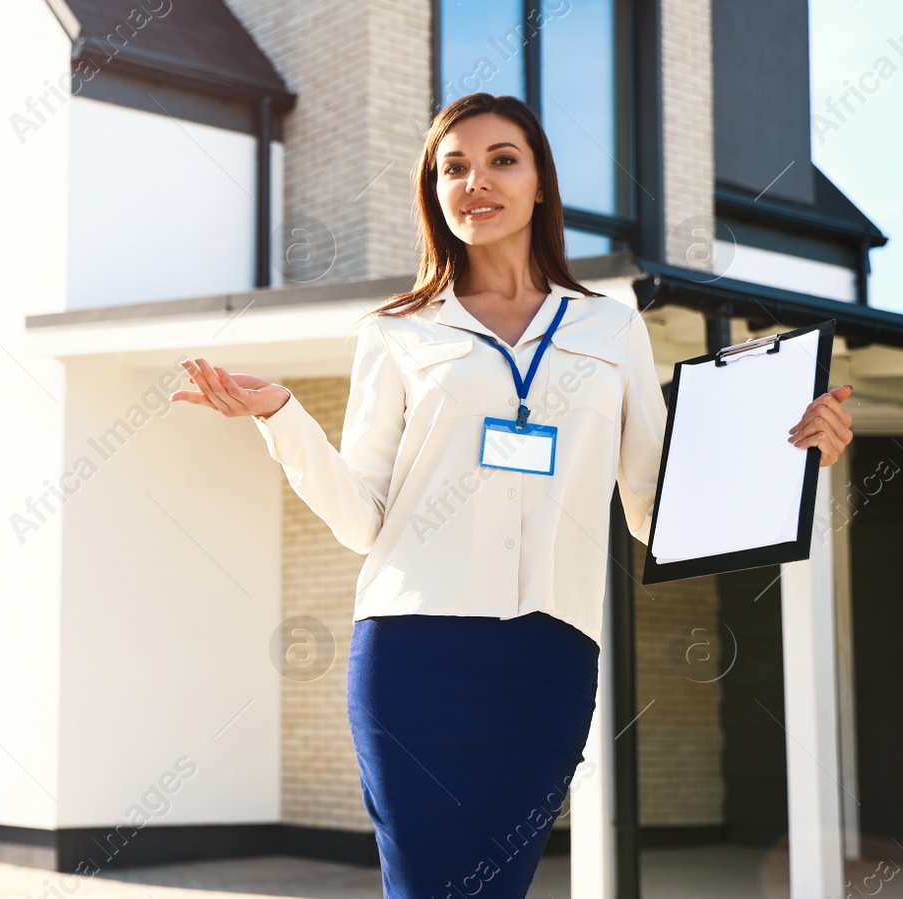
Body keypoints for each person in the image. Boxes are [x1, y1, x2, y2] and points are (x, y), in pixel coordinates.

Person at [169, 92, 855, 898]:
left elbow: (652, 508)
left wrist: (796, 455)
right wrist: (281, 416)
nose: (475, 180)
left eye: (502, 159)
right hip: (411, 653)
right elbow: (362, 518)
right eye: (452, 166)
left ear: (539, 185)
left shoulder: (612, 327)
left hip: (547, 656)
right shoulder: (396, 331)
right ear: (433, 189)